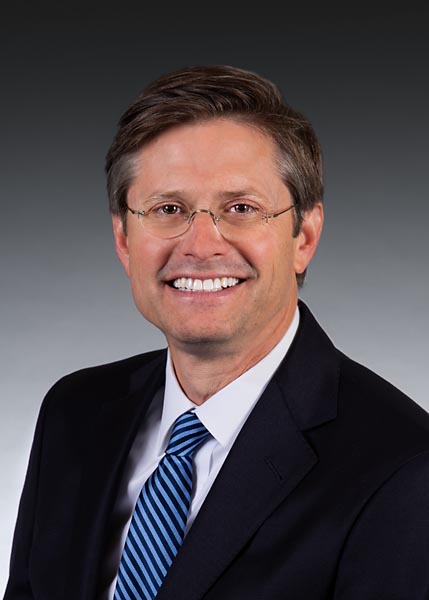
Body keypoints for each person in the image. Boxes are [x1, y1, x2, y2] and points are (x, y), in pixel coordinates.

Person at [4, 65, 429, 600]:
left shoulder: (404, 471)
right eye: (168, 209)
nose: (202, 245)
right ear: (124, 240)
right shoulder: (74, 413)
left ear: (304, 236)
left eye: (241, 208)